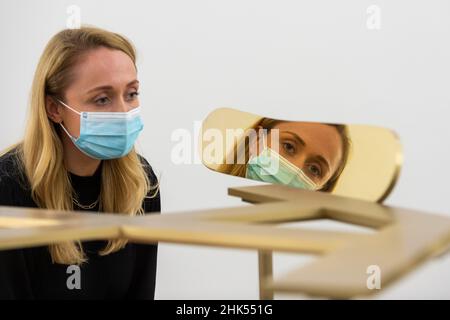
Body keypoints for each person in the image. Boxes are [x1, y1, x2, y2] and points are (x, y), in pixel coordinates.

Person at [0, 26, 160, 299]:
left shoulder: (141, 181)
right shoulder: (8, 187)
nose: (123, 112)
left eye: (131, 94)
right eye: (102, 99)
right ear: (55, 108)